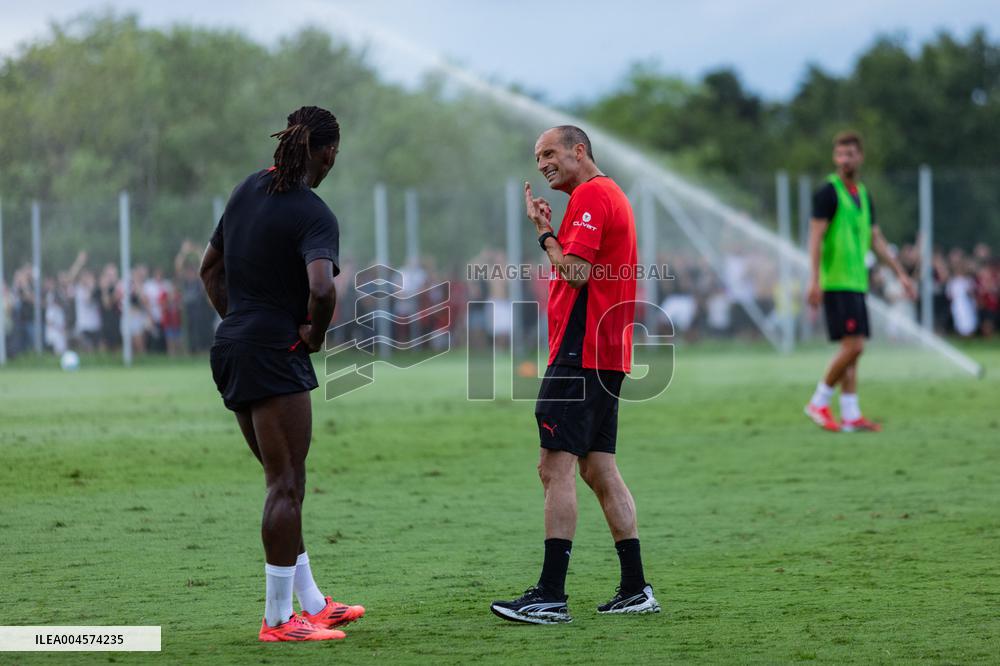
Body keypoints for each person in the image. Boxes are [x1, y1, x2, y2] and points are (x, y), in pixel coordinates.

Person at [200, 105, 364, 642]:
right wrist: (312, 335)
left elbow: (209, 269)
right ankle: (277, 620)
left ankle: (312, 602)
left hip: (232, 346)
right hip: (273, 352)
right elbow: (321, 288)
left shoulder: (246, 189)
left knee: (286, 480)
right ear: (328, 152)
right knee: (285, 485)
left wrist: (241, 322)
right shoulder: (313, 212)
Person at [490, 126, 660, 625]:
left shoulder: (590, 195)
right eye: (536, 157)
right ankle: (635, 588)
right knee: (599, 469)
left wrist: (543, 234)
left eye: (549, 153)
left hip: (581, 352)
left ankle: (550, 595)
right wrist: (552, 228)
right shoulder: (609, 194)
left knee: (554, 465)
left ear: (578, 151)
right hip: (607, 354)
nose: (542, 163)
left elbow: (577, 273)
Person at [804, 131, 916, 432]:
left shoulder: (863, 195)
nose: (845, 160)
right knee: (854, 348)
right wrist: (814, 280)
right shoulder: (827, 193)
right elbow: (815, 238)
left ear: (860, 157)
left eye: (850, 154)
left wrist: (901, 274)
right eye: (840, 154)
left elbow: (876, 239)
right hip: (836, 281)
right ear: (834, 158)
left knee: (852, 350)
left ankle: (851, 414)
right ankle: (818, 401)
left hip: (856, 282)